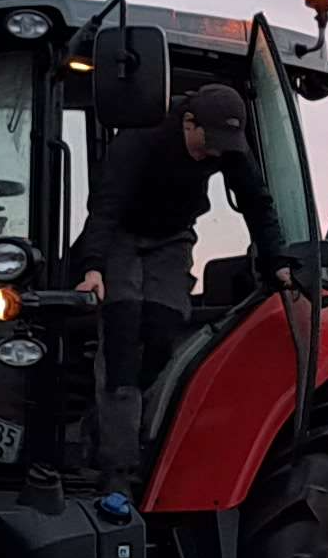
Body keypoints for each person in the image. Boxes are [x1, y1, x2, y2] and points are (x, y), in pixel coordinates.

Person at [76, 80, 290, 501]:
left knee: (163, 331)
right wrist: (93, 268)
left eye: (223, 147)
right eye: (207, 144)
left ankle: (106, 427)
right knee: (122, 336)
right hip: (122, 235)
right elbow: (106, 207)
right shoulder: (140, 137)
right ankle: (117, 469)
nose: (214, 155)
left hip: (172, 238)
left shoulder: (226, 144)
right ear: (188, 123)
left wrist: (279, 261)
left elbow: (257, 202)